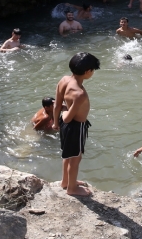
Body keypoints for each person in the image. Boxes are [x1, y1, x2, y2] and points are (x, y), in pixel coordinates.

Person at [52, 52, 100, 196]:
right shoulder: (79, 93)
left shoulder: (64, 80)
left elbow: (57, 106)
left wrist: (55, 123)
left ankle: (66, 181)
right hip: (75, 127)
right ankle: (72, 188)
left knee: (68, 155)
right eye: (93, 70)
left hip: (65, 125)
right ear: (87, 72)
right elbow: (68, 118)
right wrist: (65, 116)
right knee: (76, 157)